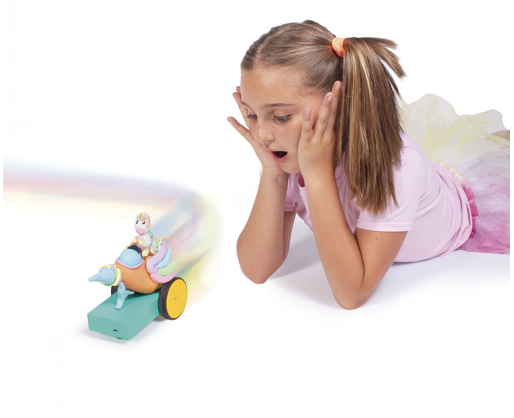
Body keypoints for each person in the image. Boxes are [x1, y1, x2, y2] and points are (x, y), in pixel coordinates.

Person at [227, 20, 510, 310]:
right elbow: (256, 269)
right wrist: (273, 176)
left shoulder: (397, 167)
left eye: (281, 117)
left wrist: (318, 176)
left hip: (461, 208)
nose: (262, 134)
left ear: (337, 102)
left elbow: (352, 294)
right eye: (252, 115)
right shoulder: (288, 153)